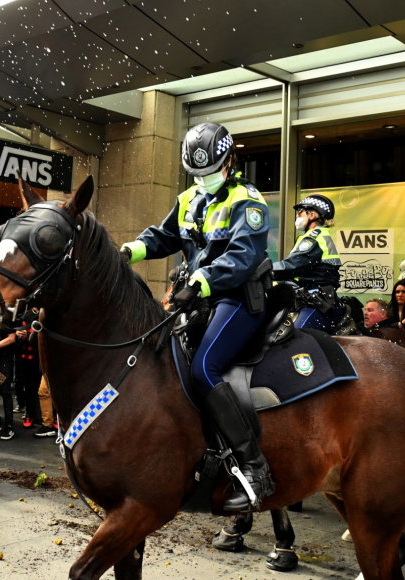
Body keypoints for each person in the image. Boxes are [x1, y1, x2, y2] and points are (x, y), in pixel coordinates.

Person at [119, 121, 274, 512]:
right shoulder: (189, 198)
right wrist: (131, 250)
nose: (203, 180)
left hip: (236, 298)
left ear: (230, 161)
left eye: (210, 172)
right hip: (197, 300)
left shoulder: (248, 200)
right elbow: (164, 236)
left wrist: (201, 280)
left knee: (204, 368)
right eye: (196, 174)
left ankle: (255, 467)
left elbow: (243, 257)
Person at [272, 194, 344, 332]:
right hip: (311, 298)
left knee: (295, 337)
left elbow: (292, 266)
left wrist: (264, 270)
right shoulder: (310, 237)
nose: (297, 216)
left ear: (311, 215)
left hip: (319, 302)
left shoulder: (314, 238)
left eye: (300, 212)